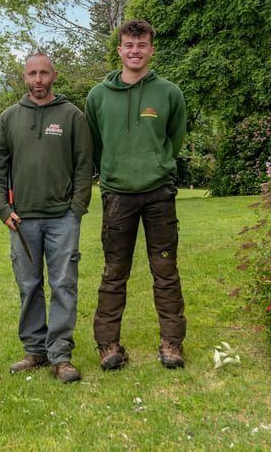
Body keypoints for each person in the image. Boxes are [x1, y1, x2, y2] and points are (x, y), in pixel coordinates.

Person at [85, 19, 187, 370]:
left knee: (165, 269)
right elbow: (95, 143)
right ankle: (108, 344)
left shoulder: (169, 93)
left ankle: (172, 342)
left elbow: (174, 139)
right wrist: (112, 170)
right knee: (114, 271)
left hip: (159, 192)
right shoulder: (98, 96)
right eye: (129, 45)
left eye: (142, 45)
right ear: (119, 50)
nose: (135, 51)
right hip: (117, 195)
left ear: (151, 50)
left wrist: (157, 164)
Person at [0, 53, 94, 383]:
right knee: (29, 285)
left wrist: (76, 209)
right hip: (22, 220)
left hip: (62, 218)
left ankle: (60, 355)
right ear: (24, 77)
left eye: (44, 73)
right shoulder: (9, 118)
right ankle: (34, 350)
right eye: (32, 73)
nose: (38, 79)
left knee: (63, 285)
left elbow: (84, 166)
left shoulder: (72, 115)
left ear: (54, 76)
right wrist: (2, 208)